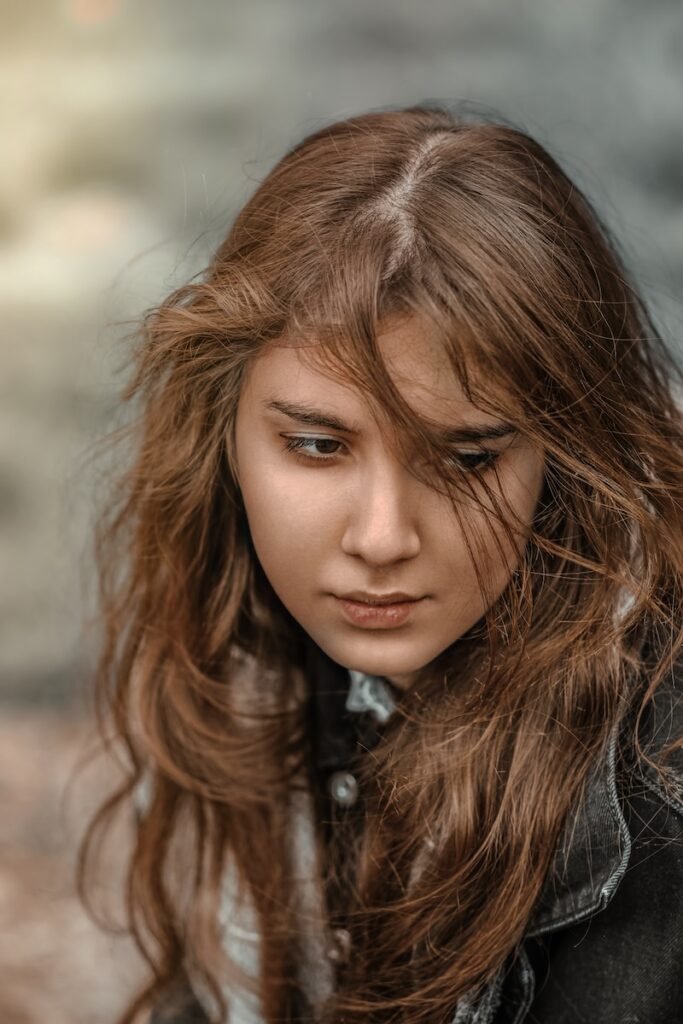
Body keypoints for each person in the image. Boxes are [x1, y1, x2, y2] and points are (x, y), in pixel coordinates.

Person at [80, 105, 683, 1024]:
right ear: (225, 430)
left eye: (467, 458)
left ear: (563, 456)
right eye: (318, 446)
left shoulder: (657, 780)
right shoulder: (238, 639)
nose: (382, 537)